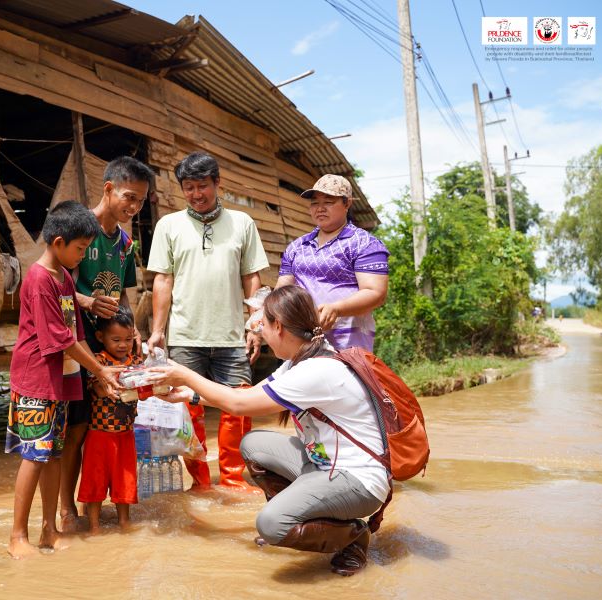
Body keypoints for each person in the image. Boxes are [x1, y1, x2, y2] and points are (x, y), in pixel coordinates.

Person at [150, 285, 389, 577]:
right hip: (326, 464)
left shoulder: (316, 370)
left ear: (279, 326)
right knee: (254, 445)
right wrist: (191, 394)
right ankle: (308, 514)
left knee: (272, 524)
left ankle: (353, 535)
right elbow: (249, 395)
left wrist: (184, 373)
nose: (259, 331)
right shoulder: (300, 361)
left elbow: (239, 404)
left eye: (262, 324)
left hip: (358, 480)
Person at [146, 152, 269, 490]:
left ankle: (232, 479)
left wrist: (254, 325)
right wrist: (158, 332)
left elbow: (251, 278)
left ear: (218, 183)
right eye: (188, 188)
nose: (196, 194)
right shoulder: (168, 225)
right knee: (187, 408)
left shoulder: (242, 223)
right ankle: (200, 481)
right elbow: (163, 281)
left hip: (232, 336)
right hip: (185, 335)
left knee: (239, 407)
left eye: (203, 186)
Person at [6, 200, 121, 559]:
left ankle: (48, 530)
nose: (83, 256)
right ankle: (16, 537)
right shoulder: (40, 279)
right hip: (36, 379)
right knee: (34, 456)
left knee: (53, 454)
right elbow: (60, 339)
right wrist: (100, 370)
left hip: (61, 379)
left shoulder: (64, 277)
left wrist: (95, 371)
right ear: (58, 242)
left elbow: (77, 333)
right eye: (80, 249)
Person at [60, 156, 154, 532]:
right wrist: (85, 301)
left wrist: (135, 334)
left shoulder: (126, 243)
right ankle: (68, 508)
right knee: (76, 428)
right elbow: (56, 280)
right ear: (109, 188)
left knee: (105, 425)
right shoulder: (79, 228)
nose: (133, 207)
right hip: (75, 344)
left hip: (109, 348)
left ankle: (98, 505)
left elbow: (125, 296)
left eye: (141, 202)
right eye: (129, 197)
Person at [276, 174, 388, 352]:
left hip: (348, 345)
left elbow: (376, 293)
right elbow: (282, 292)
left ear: (347, 203)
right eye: (314, 203)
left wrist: (337, 309)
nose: (319, 208)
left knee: (345, 380)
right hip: (301, 342)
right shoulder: (297, 247)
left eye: (328, 202)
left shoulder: (364, 243)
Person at [77, 306, 142, 534]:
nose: (123, 345)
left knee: (125, 480)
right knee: (95, 481)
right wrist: (111, 384)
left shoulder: (136, 361)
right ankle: (94, 525)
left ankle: (124, 522)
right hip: (99, 434)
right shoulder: (98, 361)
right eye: (116, 340)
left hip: (126, 434)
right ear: (100, 337)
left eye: (128, 339)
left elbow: (145, 388)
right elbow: (94, 387)